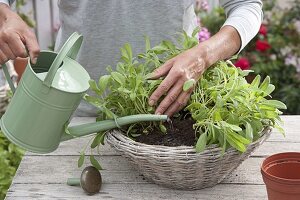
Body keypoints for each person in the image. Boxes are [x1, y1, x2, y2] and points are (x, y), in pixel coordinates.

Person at [0, 0, 263, 117]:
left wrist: (203, 55)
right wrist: (4, 14)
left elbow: (246, 5)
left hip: (171, 108)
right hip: (76, 112)